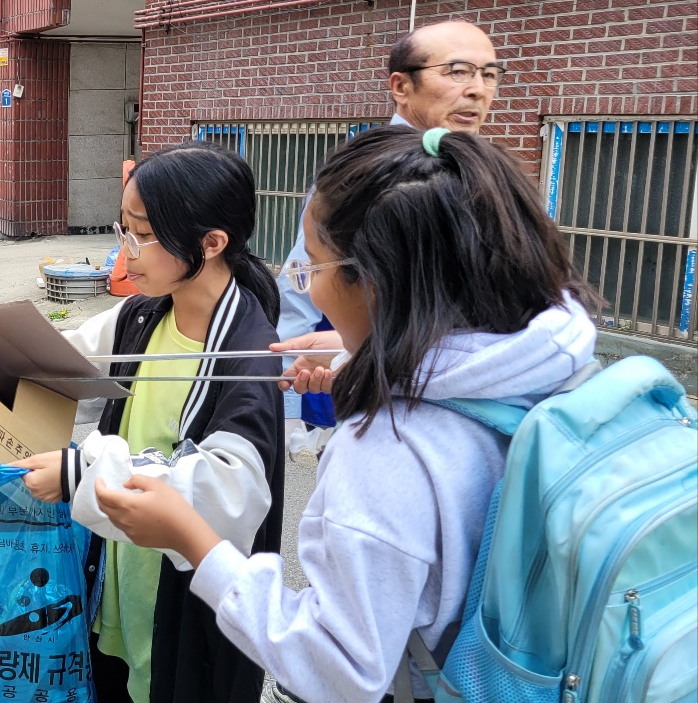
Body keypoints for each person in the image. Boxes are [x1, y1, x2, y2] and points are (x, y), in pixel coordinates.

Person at [93, 126, 596, 703]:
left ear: (378, 281)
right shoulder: (549, 364)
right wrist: (369, 351)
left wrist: (194, 542)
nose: (309, 297)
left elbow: (340, 670)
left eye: (312, 271)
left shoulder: (390, 449)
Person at [12, 142, 286, 703]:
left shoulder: (246, 355)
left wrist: (77, 474)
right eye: (123, 228)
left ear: (211, 244)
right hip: (122, 578)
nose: (125, 252)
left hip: (184, 605)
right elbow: (61, 364)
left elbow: (224, 493)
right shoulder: (142, 314)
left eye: (141, 234)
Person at [275, 21, 503, 411]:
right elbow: (302, 285)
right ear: (401, 87)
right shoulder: (364, 174)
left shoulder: (487, 176)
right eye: (458, 71)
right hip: (381, 397)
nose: (477, 89)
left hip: (470, 393)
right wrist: (288, 406)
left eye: (489, 74)